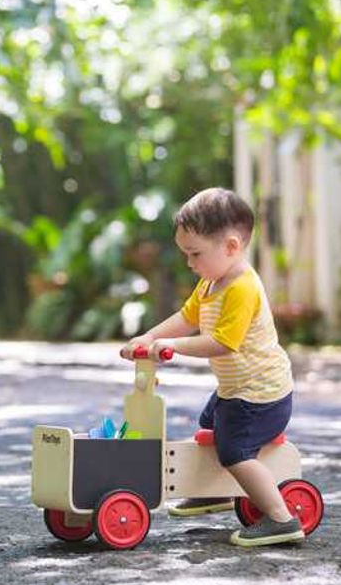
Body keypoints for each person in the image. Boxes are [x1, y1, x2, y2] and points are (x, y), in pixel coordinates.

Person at [120, 187, 303, 548]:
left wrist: (173, 347)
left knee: (234, 450)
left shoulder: (242, 288)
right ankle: (216, 490)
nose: (190, 263)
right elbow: (187, 317)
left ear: (231, 247)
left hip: (261, 396)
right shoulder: (210, 283)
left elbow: (222, 342)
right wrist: (150, 337)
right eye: (186, 254)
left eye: (195, 253)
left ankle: (281, 519)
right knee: (209, 425)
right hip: (236, 391)